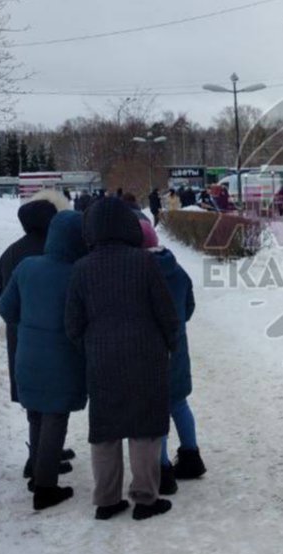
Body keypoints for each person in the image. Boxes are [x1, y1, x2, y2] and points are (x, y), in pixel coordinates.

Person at [65, 198, 179, 521]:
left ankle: (106, 500)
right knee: (145, 429)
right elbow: (166, 313)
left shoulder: (81, 268)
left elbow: (72, 324)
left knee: (105, 430)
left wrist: (88, 347)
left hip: (101, 359)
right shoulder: (144, 263)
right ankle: (145, 499)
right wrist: (172, 345)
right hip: (146, 357)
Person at [0, 212, 87, 511]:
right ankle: (45, 488)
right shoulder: (77, 272)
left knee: (36, 414)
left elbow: (7, 309)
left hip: (27, 354)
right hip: (62, 358)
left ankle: (38, 473)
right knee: (54, 418)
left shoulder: (26, 267)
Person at [0, 189, 74, 481]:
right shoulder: (59, 252)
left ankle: (39, 454)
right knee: (54, 402)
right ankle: (44, 461)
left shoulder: (11, 252)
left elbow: (2, 293)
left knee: (34, 401)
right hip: (55, 337)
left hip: (21, 337)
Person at [138, 221, 206, 488]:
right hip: (177, 346)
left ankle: (162, 468)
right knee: (178, 402)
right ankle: (191, 456)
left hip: (150, 349)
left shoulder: (139, 275)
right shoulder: (177, 271)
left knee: (156, 409)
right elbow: (188, 307)